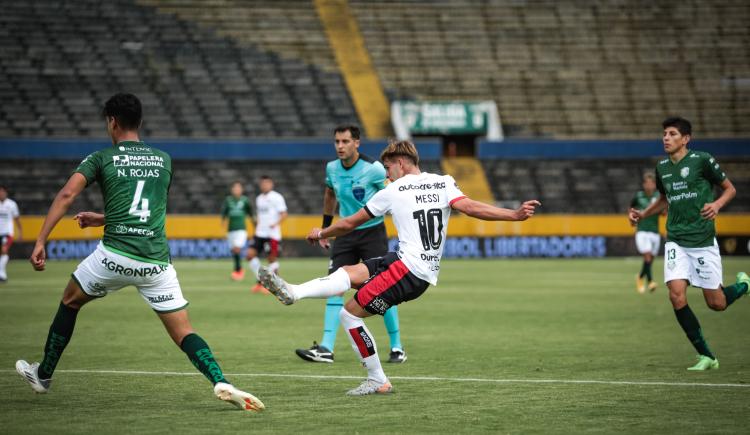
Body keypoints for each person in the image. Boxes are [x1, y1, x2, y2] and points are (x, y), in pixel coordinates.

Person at [15, 93, 264, 412]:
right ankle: (220, 380)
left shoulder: (101, 158)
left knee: (70, 300)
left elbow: (66, 194)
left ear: (112, 122)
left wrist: (40, 240)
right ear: (140, 122)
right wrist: (102, 218)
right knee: (184, 331)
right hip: (156, 262)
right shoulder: (164, 159)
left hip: (114, 255)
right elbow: (147, 209)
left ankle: (43, 375)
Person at [259, 140, 540, 395]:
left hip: (408, 271)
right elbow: (469, 207)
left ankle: (377, 379)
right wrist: (513, 215)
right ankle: (293, 291)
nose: (386, 174)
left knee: (349, 314)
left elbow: (348, 223)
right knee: (348, 272)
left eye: (389, 167)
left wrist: (321, 233)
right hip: (408, 264)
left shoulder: (393, 190)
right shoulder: (443, 182)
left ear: (402, 163)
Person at [629, 116, 749, 371]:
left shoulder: (702, 160)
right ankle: (707, 356)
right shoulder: (662, 168)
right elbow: (664, 200)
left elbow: (730, 189)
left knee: (716, 303)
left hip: (702, 239)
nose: (666, 138)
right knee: (676, 295)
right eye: (664, 134)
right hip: (676, 240)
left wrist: (716, 205)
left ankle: (744, 285)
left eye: (672, 134)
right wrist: (643, 214)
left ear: (686, 139)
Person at [295, 125, 407, 365]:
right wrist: (325, 227)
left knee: (383, 288)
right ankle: (326, 347)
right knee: (335, 286)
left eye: (345, 141)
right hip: (345, 234)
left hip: (372, 232)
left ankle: (397, 346)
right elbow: (329, 195)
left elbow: (393, 195)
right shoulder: (332, 168)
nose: (340, 146)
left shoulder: (375, 169)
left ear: (357, 143)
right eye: (337, 141)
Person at [247, 175, 287, 293]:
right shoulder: (259, 198)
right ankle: (261, 281)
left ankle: (275, 286)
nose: (264, 186)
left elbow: (284, 214)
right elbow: (260, 215)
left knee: (271, 259)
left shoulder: (277, 197)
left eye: (267, 183)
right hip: (260, 233)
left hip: (272, 234)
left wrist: (275, 224)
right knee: (250, 255)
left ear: (271, 184)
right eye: (262, 184)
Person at [629, 173, 661, 293]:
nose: (649, 185)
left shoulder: (658, 196)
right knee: (647, 255)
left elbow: (663, 211)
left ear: (654, 185)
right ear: (644, 185)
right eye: (647, 183)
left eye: (651, 183)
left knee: (650, 259)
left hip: (655, 231)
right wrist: (631, 218)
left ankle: (640, 277)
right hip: (642, 230)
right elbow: (631, 208)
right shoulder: (639, 196)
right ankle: (651, 281)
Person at [221, 181, 253, 281]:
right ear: (232, 190)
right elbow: (224, 214)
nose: (236, 190)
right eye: (235, 188)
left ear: (241, 190)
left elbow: (250, 213)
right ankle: (237, 269)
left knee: (237, 249)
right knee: (234, 251)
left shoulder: (245, 200)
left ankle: (239, 271)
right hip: (231, 230)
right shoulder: (228, 200)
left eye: (238, 188)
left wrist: (254, 222)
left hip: (241, 229)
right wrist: (223, 226)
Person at [0, 185, 22, 283]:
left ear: (6, 192)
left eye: (2, 192)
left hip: (7, 232)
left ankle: (2, 274)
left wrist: (20, 232)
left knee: (4, 250)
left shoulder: (12, 204)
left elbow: (17, 219)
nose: (1, 194)